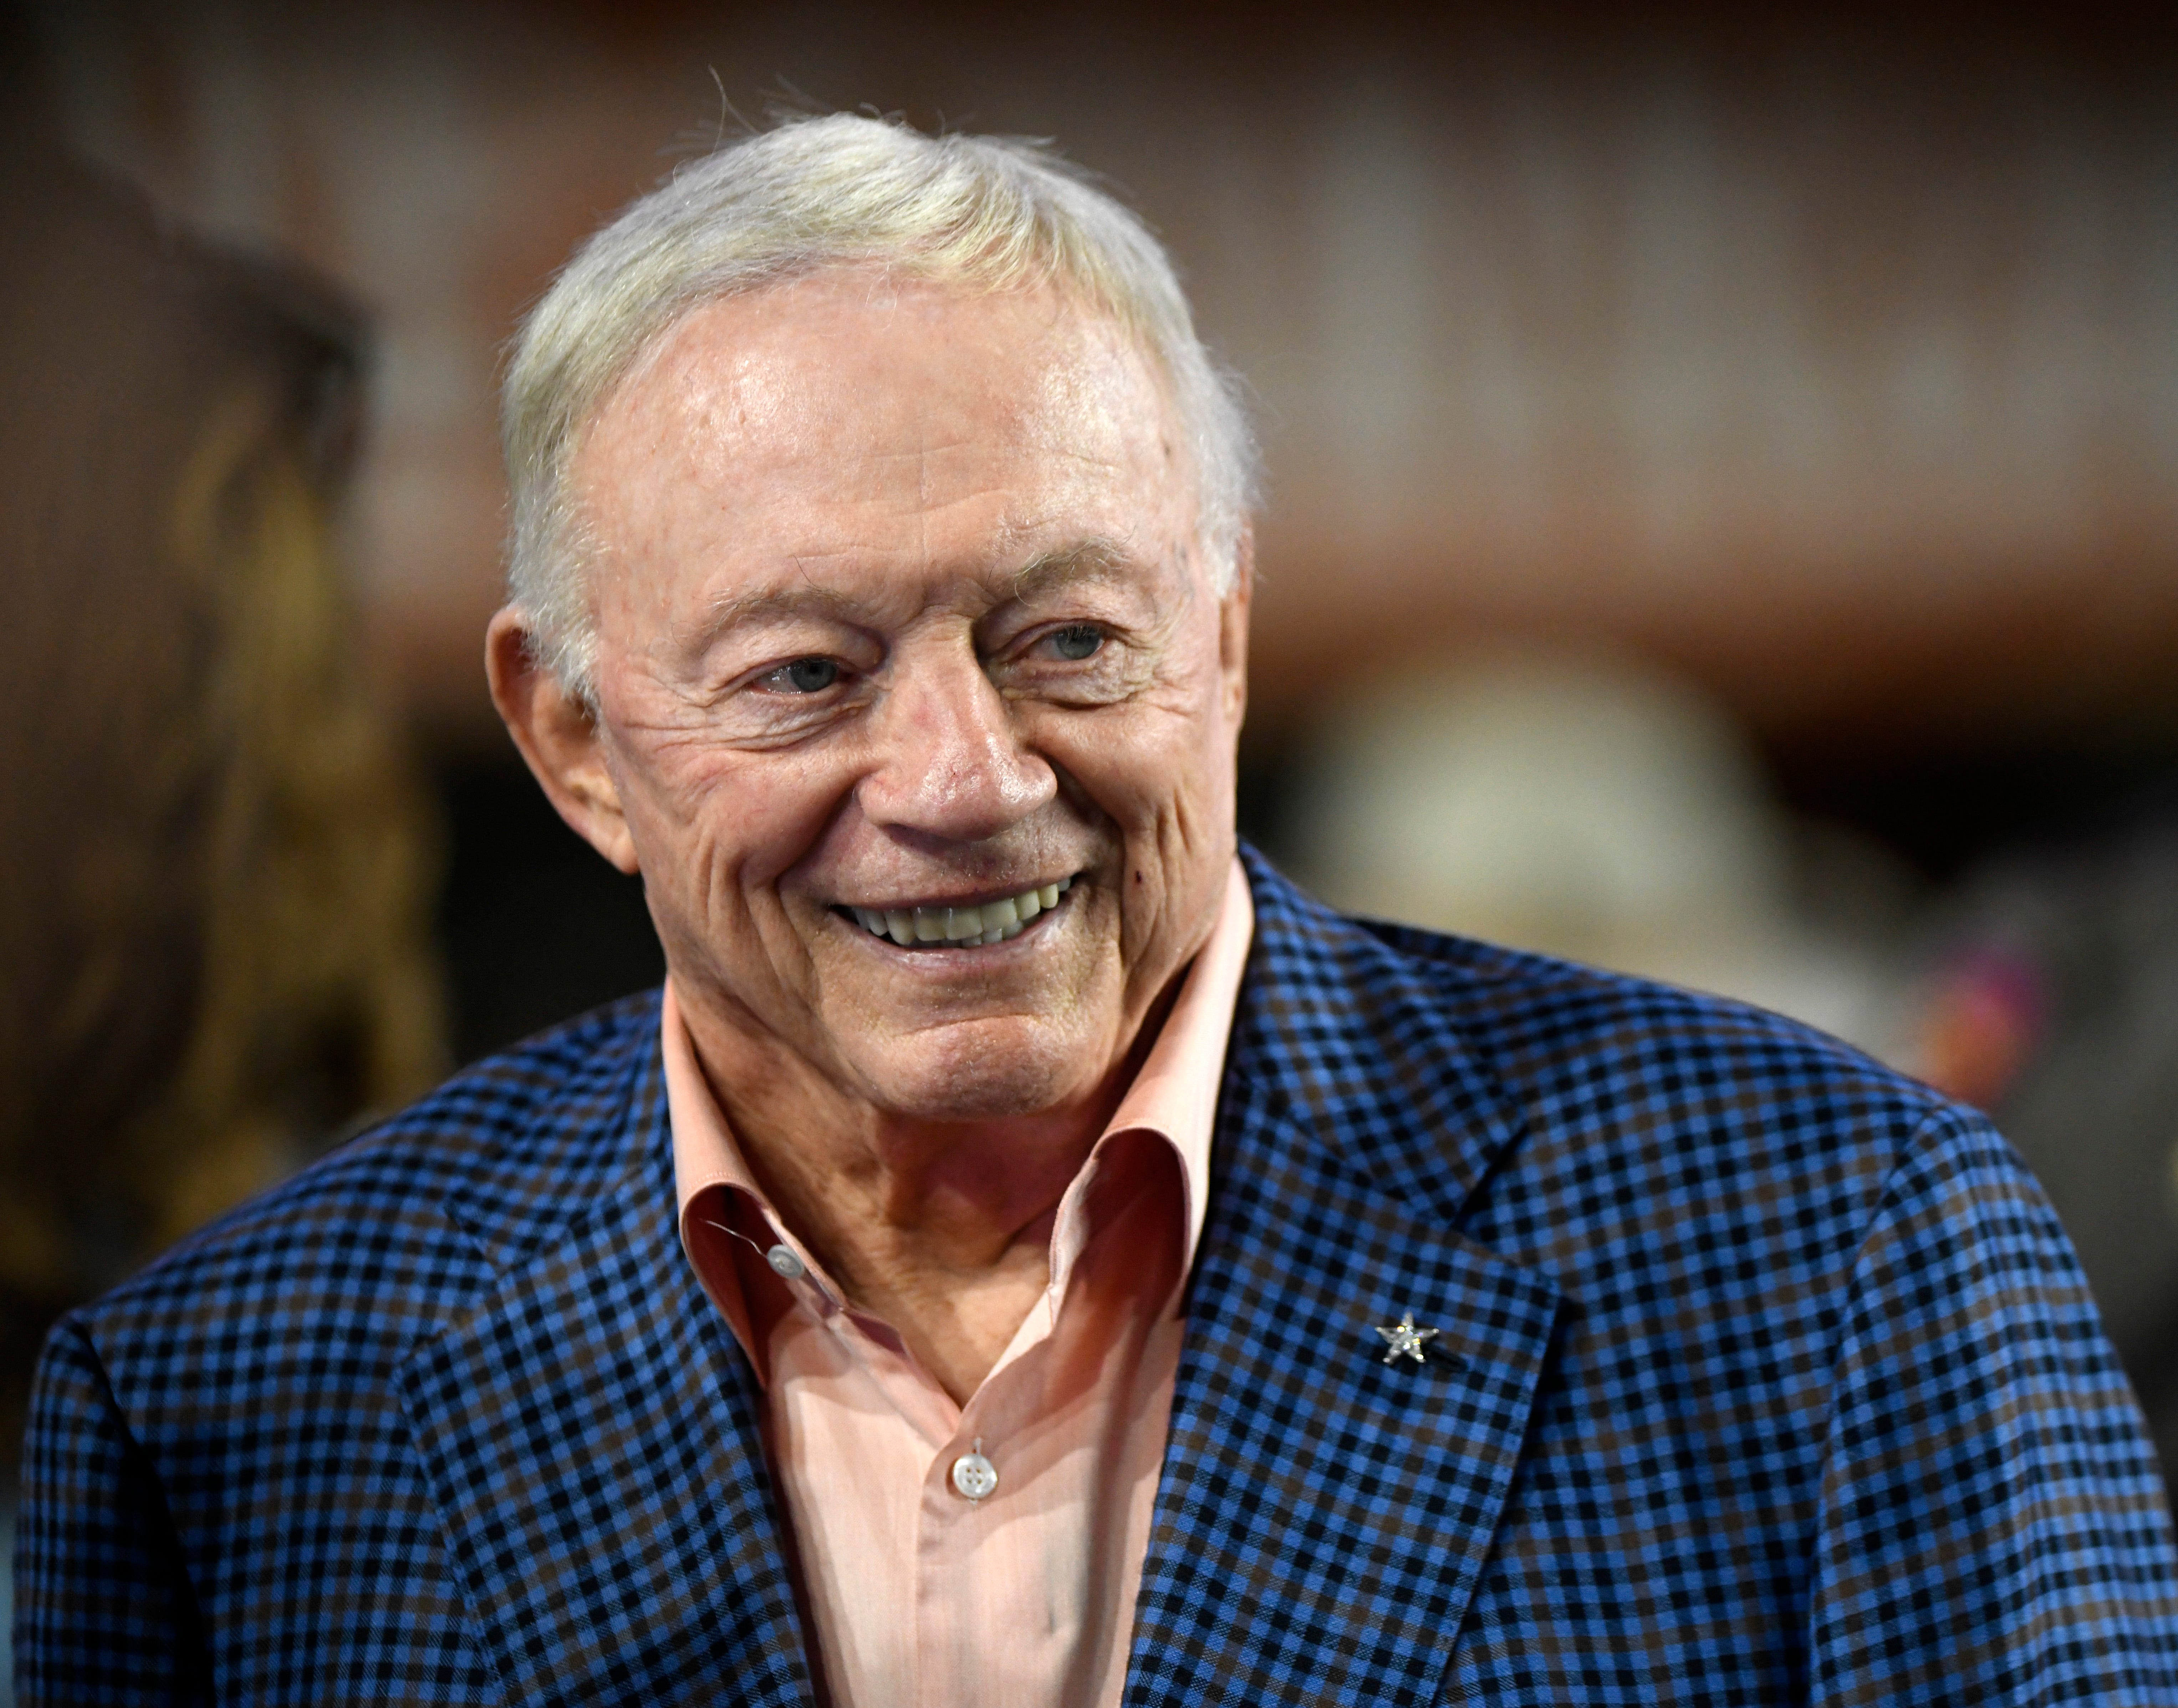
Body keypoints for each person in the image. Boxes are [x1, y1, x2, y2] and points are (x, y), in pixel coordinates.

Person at [15, 115, 2177, 1706]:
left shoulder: (1848, 1254)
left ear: (1225, 635)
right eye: (804, 673)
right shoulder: (228, 1397)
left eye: (1066, 638)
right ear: (573, 740)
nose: (962, 782)